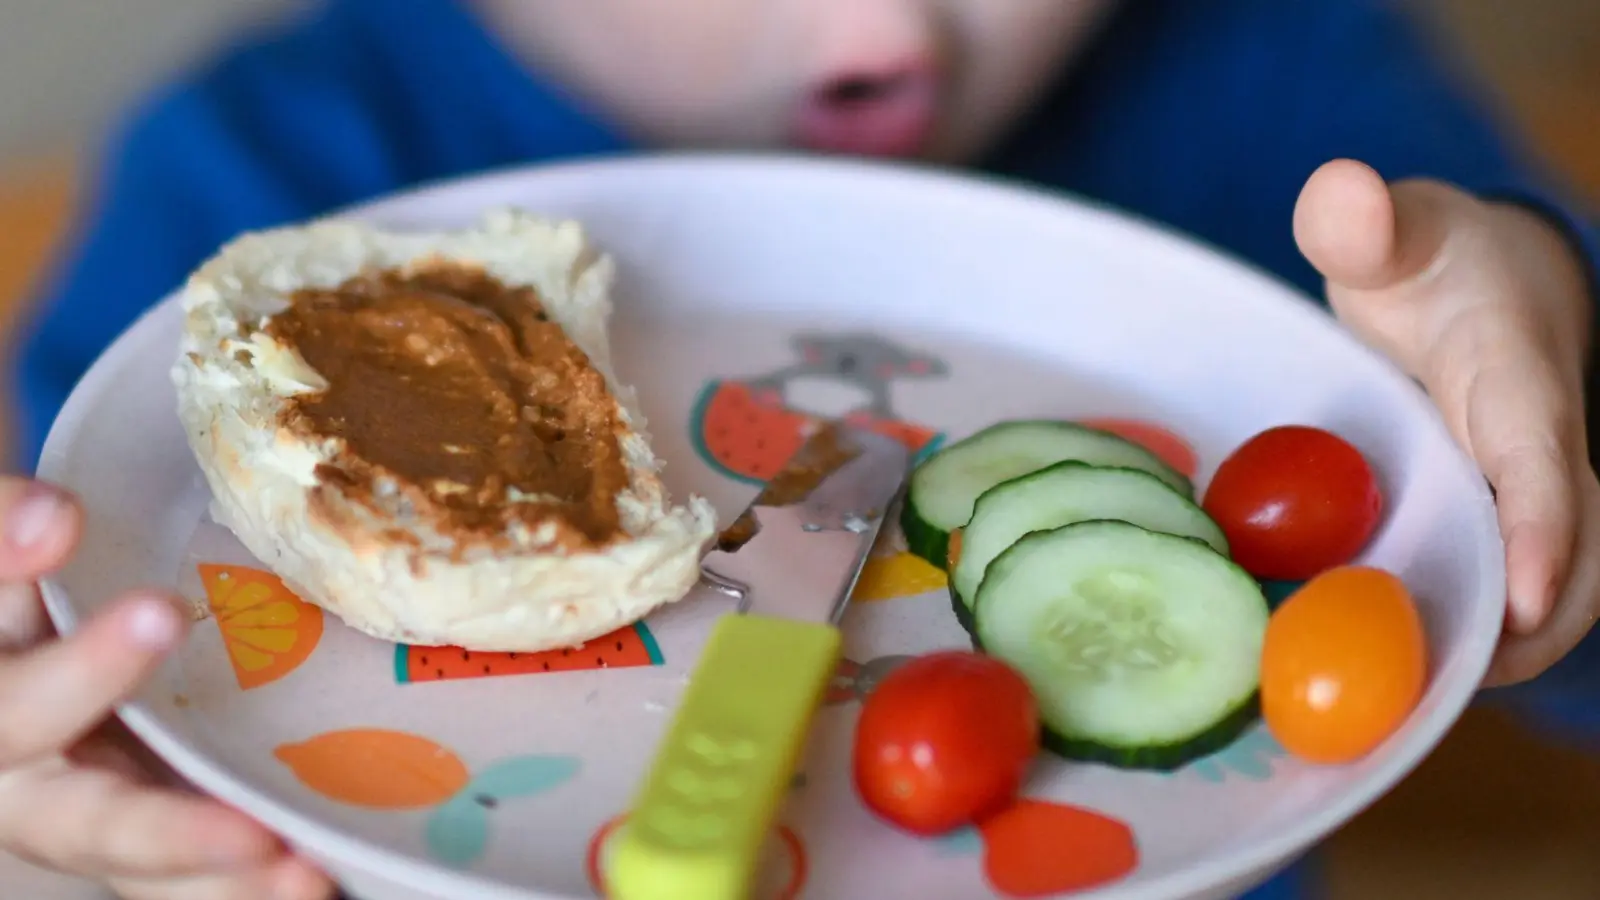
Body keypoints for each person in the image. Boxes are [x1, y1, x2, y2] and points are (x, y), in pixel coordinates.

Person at [4, 1, 1598, 897]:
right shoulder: (259, 172)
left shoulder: (1286, 81)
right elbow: (75, 657)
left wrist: (1545, 378)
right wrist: (70, 825)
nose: (880, 21)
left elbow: (1536, 631)